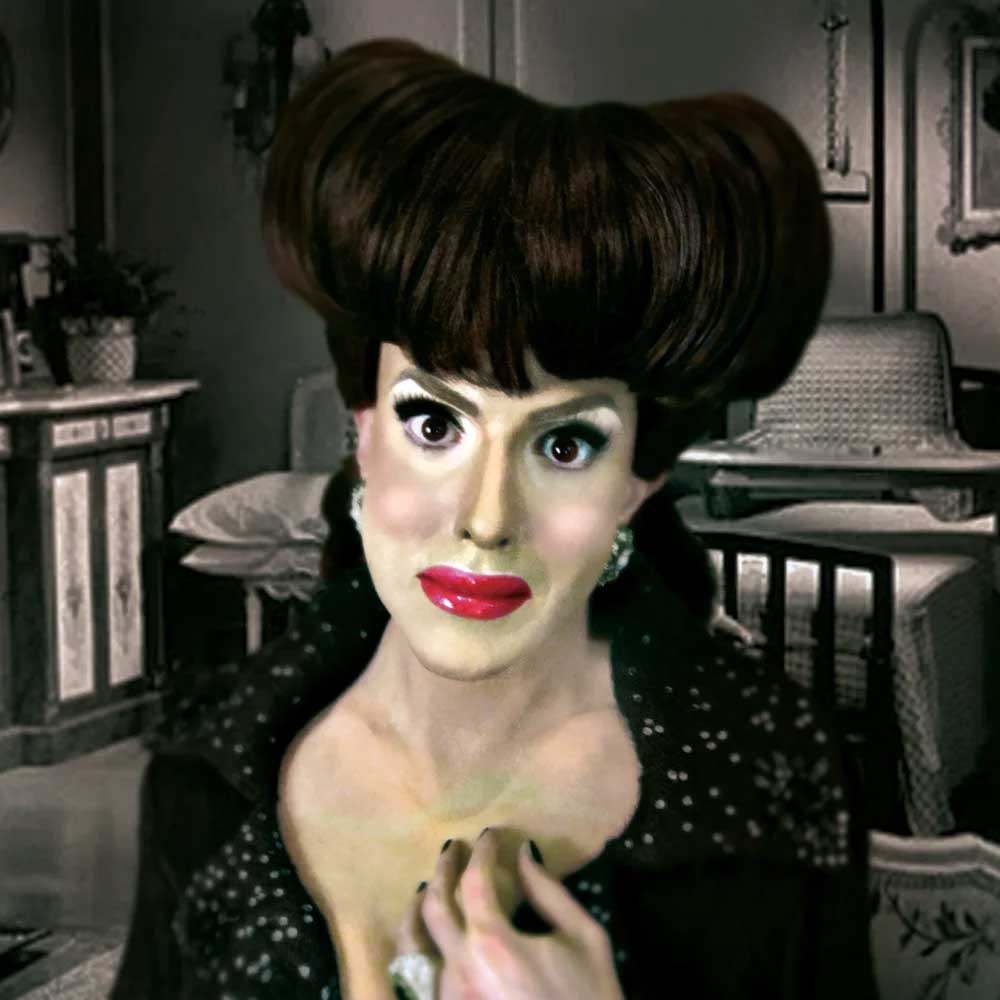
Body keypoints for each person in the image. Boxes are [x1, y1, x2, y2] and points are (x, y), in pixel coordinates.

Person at [111, 38, 876, 1000]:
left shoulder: (765, 786)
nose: (486, 519)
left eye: (566, 445)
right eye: (434, 424)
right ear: (363, 430)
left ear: (638, 482)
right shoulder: (204, 780)